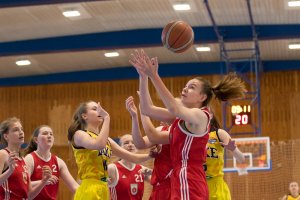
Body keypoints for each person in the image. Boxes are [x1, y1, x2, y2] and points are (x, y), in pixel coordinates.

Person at [130, 49, 246, 199]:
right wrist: (143, 76)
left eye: (192, 87)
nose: (185, 88)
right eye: (186, 85)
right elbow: (146, 109)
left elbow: (173, 107)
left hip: (189, 176)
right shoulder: (181, 120)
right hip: (181, 177)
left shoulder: (201, 116)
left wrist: (154, 75)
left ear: (202, 97)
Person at [68, 100, 154, 200]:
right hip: (89, 187)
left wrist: (151, 155)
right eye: (95, 109)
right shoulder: (79, 134)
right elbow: (99, 144)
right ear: (84, 116)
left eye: (99, 108)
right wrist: (107, 118)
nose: (99, 111)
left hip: (103, 187)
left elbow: (133, 157)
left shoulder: (107, 141)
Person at [125, 95, 172, 200]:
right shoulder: (162, 129)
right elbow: (139, 143)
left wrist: (144, 111)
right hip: (159, 188)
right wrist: (134, 116)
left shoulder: (184, 131)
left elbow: (151, 133)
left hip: (177, 185)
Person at [0, 117, 52, 199]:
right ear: (6, 136)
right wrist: (10, 170)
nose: (21, 132)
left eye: (21, 129)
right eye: (16, 130)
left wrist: (43, 181)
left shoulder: (23, 160)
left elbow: (29, 196)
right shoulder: (3, 154)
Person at [24, 125, 79, 200]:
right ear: (36, 140)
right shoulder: (29, 159)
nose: (49, 136)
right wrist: (43, 182)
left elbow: (74, 187)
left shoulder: (59, 162)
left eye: (51, 134)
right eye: (45, 133)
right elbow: (23, 185)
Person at [205, 116, 245, 200]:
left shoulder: (218, 134)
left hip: (216, 186)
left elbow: (242, 159)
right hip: (196, 184)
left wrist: (233, 149)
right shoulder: (190, 137)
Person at [108, 134, 151, 200]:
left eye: (133, 143)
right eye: (126, 143)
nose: (130, 145)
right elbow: (99, 179)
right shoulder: (112, 168)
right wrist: (104, 179)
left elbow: (159, 181)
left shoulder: (142, 169)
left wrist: (152, 172)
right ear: (119, 148)